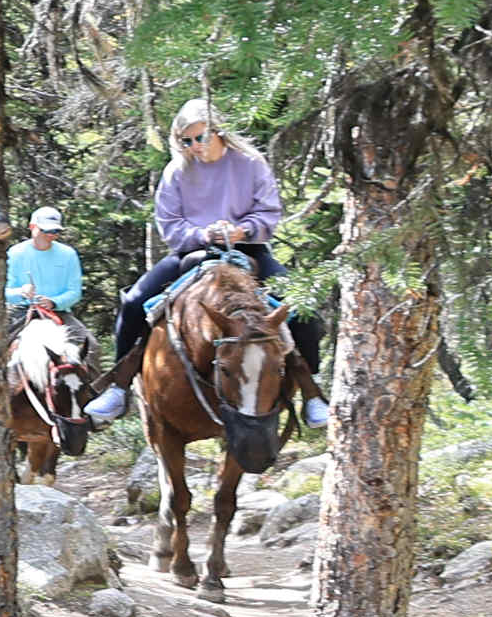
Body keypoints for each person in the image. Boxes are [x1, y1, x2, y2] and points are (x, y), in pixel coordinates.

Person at [83, 99, 331, 427]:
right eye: (186, 141)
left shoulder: (250, 163)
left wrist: (243, 228)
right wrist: (203, 234)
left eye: (200, 138)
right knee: (133, 302)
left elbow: (269, 211)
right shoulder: (177, 171)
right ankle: (119, 386)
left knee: (301, 310)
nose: (194, 147)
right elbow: (169, 224)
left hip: (249, 249)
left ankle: (310, 389)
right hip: (193, 254)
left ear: (218, 132)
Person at [6, 206, 83, 317]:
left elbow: (75, 292)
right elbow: (3, 291)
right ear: (32, 227)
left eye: (56, 231)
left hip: (58, 312)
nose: (51, 235)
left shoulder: (68, 254)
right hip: (21, 311)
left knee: (85, 335)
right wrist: (21, 292)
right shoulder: (15, 253)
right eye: (45, 230)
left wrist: (54, 302)